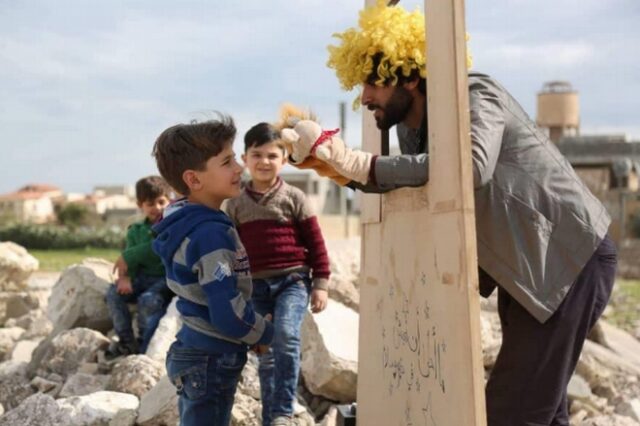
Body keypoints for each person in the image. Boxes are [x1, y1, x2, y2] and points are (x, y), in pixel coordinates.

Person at [283, 2, 617, 425]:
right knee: (542, 410)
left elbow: (466, 169)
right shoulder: (409, 128)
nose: (364, 97)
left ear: (407, 74)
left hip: (568, 260)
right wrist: (337, 169)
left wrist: (358, 164)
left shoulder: (476, 93)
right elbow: (417, 183)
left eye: (372, 83)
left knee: (513, 412)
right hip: (524, 269)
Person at [151, 115, 274, 426]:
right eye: (227, 161)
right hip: (211, 356)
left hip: (195, 347)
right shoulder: (209, 233)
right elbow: (225, 311)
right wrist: (264, 332)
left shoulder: (185, 220)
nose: (239, 168)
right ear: (194, 179)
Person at [224, 122, 330, 426]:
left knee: (286, 334)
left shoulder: (294, 197)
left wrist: (320, 284)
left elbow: (316, 244)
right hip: (254, 287)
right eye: (257, 155)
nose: (264, 162)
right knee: (266, 351)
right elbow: (231, 251)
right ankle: (273, 419)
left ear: (284, 160)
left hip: (292, 281)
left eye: (272, 155)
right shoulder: (235, 204)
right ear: (245, 158)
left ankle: (283, 409)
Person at [105, 175, 173, 358]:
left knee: (147, 300)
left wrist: (128, 256)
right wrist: (125, 277)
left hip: (165, 278)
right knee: (113, 293)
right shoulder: (135, 230)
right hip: (143, 277)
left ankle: (145, 343)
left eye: (161, 202)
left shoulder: (172, 226)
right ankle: (126, 341)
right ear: (140, 205)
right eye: (150, 204)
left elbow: (159, 248)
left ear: (170, 200)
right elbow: (130, 260)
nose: (157, 208)